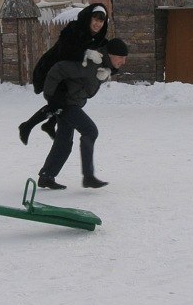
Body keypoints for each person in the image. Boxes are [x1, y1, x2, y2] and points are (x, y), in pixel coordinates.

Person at [36, 37, 128, 190]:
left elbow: (86, 87)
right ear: (110, 55)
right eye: (120, 58)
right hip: (66, 103)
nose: (123, 62)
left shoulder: (103, 67)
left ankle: (46, 176)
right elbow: (58, 69)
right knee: (90, 130)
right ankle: (88, 176)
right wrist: (52, 97)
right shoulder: (91, 64)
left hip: (71, 102)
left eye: (125, 58)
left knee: (64, 141)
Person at [19, 3, 109, 145]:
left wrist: (109, 70)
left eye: (101, 21)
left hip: (68, 77)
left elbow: (108, 57)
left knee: (68, 101)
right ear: (89, 18)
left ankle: (48, 124)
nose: (98, 24)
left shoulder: (100, 40)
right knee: (58, 102)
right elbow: (65, 51)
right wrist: (86, 53)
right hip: (52, 70)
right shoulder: (74, 29)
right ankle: (27, 126)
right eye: (95, 19)